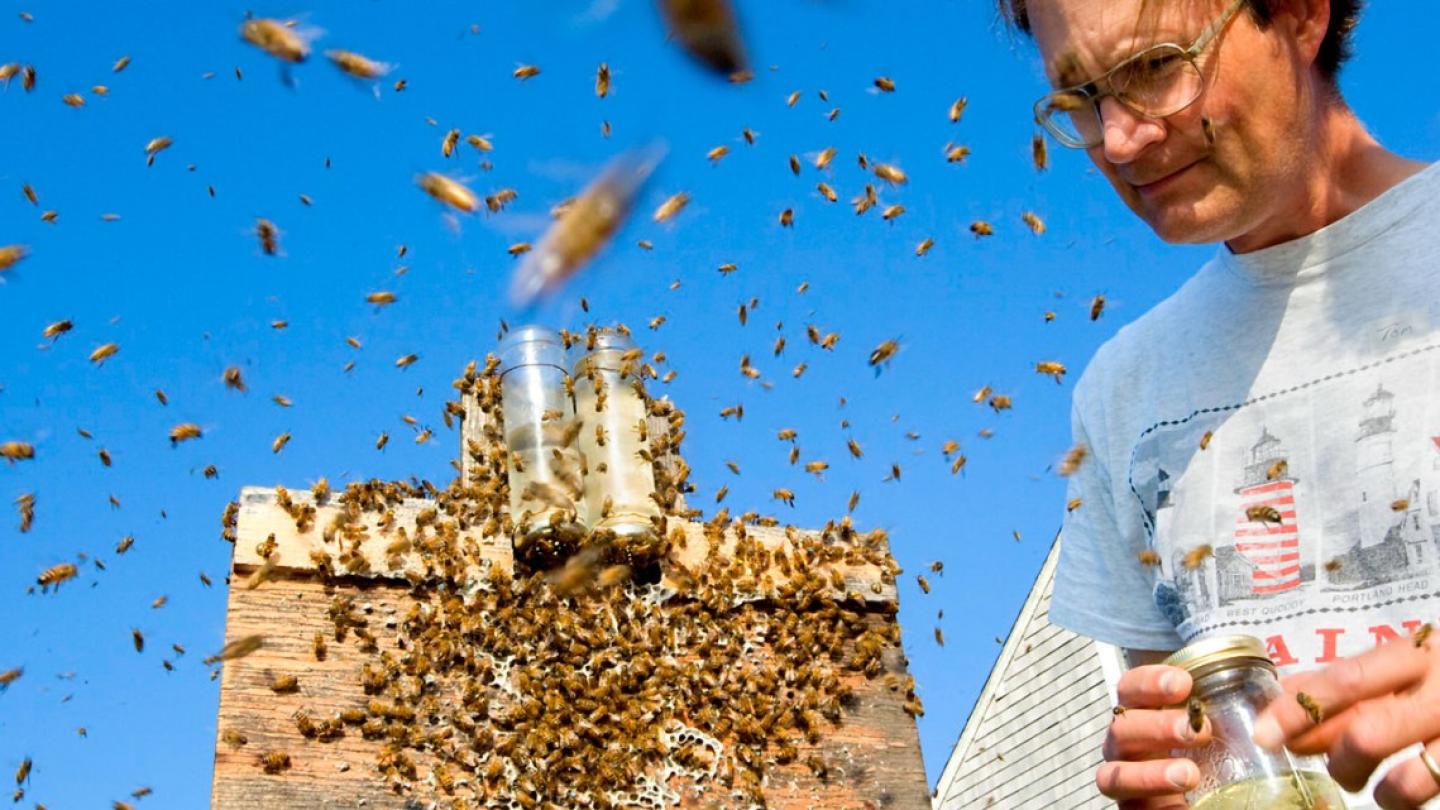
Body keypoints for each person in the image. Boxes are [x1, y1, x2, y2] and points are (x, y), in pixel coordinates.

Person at [996, 0, 1438, 806]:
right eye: (1083, 98)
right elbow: (1193, 741)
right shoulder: (1123, 390)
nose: (1120, 139)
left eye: (1157, 66)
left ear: (1302, 18)